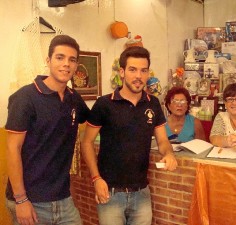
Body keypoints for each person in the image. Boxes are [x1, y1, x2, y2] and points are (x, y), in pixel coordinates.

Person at [81, 46, 177, 225]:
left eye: (143, 70)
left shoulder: (153, 103)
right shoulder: (104, 104)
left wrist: (169, 153)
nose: (138, 76)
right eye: (132, 70)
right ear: (122, 72)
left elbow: (163, 140)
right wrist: (96, 179)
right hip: (110, 192)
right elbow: (86, 143)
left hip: (141, 192)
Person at [5, 35, 90, 225]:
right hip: (30, 200)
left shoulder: (73, 98)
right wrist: (21, 200)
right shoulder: (25, 97)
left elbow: (95, 121)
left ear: (76, 66)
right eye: (60, 57)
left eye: (72, 59)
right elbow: (12, 149)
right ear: (48, 60)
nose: (66, 64)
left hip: (63, 198)